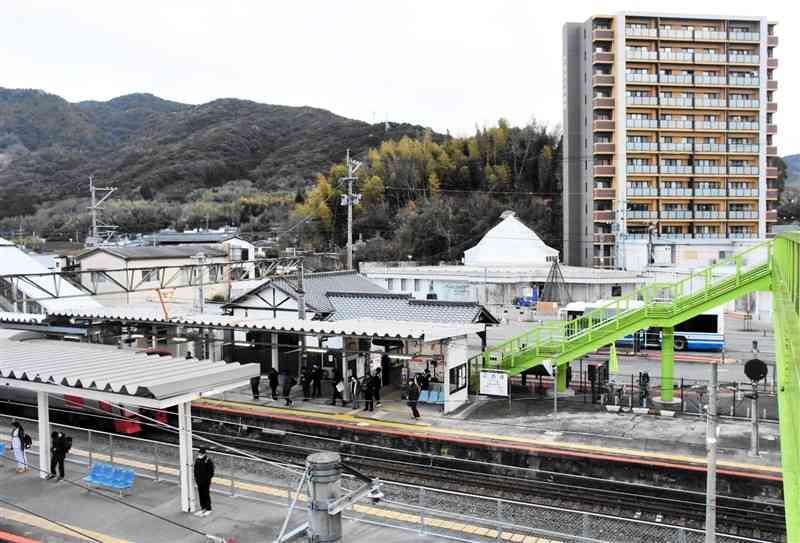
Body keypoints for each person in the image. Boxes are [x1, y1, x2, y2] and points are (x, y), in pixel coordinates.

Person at [193, 448, 215, 517]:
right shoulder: (197, 460)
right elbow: (195, 470)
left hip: (206, 481)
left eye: (201, 454)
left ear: (204, 454)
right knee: (201, 494)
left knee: (206, 494)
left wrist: (207, 479)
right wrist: (196, 478)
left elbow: (211, 472)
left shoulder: (208, 461)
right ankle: (203, 507)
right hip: (199, 481)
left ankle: (208, 508)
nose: (200, 455)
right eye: (199, 453)